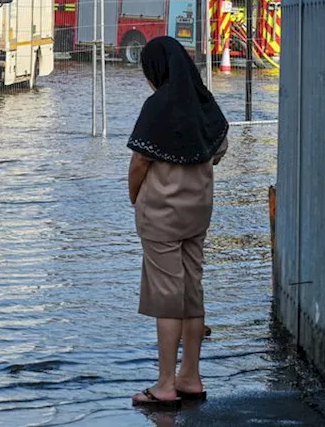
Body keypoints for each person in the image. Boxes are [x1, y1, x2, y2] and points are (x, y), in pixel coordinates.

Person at [127, 36, 228, 409]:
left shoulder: (157, 106)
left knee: (166, 297)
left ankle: (165, 384)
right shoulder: (203, 102)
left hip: (161, 215)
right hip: (198, 211)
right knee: (191, 289)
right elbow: (219, 148)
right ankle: (191, 376)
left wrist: (135, 196)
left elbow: (139, 163)